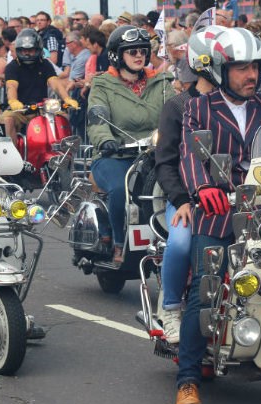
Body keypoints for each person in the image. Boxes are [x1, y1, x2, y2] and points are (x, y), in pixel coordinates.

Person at [175, 26, 261, 404]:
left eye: (254, 66)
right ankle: (187, 380)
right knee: (203, 294)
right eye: (240, 68)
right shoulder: (199, 107)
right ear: (221, 70)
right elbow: (190, 154)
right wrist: (203, 188)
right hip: (219, 213)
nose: (250, 74)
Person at [154, 25, 225, 346]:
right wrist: (181, 199)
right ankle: (170, 306)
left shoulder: (244, 105)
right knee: (181, 243)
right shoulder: (178, 106)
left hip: (234, 198)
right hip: (187, 198)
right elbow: (166, 162)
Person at [87, 25, 174, 264]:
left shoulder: (162, 81)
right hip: (115, 156)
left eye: (143, 51)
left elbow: (177, 111)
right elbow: (97, 117)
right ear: (117, 55)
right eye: (132, 51)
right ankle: (118, 241)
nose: (139, 56)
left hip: (156, 154)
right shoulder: (103, 84)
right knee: (119, 189)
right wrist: (105, 140)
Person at [0, 29, 77, 145]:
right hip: (20, 109)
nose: (27, 53)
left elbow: (55, 83)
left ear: (38, 49)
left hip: (42, 107)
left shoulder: (45, 64)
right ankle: (13, 155)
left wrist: (67, 98)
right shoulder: (12, 67)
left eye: (30, 50)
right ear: (19, 50)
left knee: (64, 115)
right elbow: (11, 86)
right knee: (7, 120)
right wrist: (13, 101)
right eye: (24, 50)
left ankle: (63, 151)